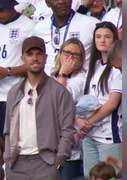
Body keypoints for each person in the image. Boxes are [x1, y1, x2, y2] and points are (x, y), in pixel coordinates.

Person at [4, 36, 76, 179]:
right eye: (29, 54)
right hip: (16, 165)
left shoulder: (59, 91)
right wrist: (8, 158)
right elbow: (8, 129)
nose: (34, 58)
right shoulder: (14, 91)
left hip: (46, 163)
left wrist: (59, 162)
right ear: (22, 58)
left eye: (39, 54)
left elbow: (67, 131)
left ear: (45, 57)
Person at [0, 0, 35, 138]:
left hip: (14, 96)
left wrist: (8, 71)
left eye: (1, 10)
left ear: (12, 6)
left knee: (10, 144)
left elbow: (35, 64)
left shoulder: (29, 26)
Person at [76, 21, 122, 179]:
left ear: (114, 40)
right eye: (98, 36)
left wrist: (87, 123)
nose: (102, 40)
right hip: (89, 135)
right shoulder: (92, 66)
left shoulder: (118, 68)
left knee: (109, 176)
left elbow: (112, 104)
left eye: (107, 36)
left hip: (109, 136)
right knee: (90, 176)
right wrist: (80, 121)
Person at [32, 0, 99, 76]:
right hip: (49, 83)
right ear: (47, 3)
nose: (61, 2)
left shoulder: (91, 24)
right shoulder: (39, 28)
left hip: (80, 83)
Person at [51, 38, 86, 179]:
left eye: (75, 54)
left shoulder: (82, 77)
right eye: (66, 53)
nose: (70, 57)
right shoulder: (50, 76)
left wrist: (63, 74)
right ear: (60, 54)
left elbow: (62, 99)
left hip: (70, 148)